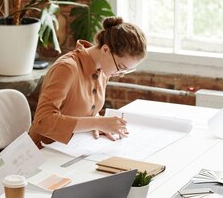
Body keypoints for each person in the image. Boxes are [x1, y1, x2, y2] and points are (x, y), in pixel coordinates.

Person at [29, 16, 147, 147]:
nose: (121, 75)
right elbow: (43, 121)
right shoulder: (67, 68)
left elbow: (84, 110)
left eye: (127, 70)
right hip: (40, 151)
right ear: (105, 50)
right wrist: (97, 122)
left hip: (72, 147)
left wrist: (100, 123)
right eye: (121, 67)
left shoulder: (104, 69)